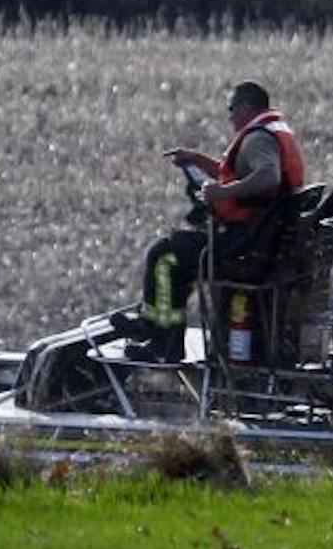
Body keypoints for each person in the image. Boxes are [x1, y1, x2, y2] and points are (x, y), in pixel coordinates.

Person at [119, 80, 306, 363]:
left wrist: (222, 193)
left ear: (246, 107)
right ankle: (157, 331)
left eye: (231, 108)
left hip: (243, 245)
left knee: (165, 256)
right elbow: (234, 173)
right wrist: (196, 159)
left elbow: (269, 176)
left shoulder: (257, 139)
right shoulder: (275, 131)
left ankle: (161, 342)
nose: (229, 116)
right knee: (179, 252)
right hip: (260, 239)